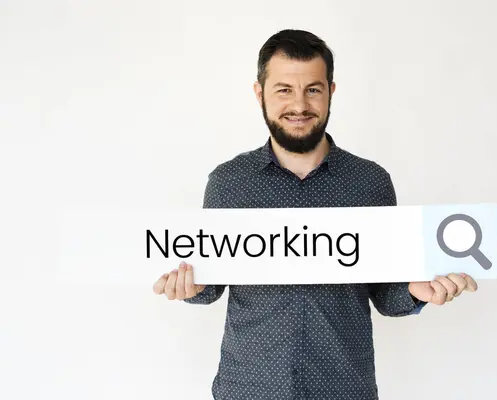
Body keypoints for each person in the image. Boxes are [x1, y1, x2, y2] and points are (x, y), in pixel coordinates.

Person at [153, 29, 478, 400]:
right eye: (284, 90)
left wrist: (414, 291)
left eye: (312, 89)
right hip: (247, 389)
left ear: (330, 92)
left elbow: (385, 292)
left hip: (345, 389)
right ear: (259, 93)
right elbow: (209, 285)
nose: (299, 105)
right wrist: (189, 288)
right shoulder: (229, 182)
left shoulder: (370, 182)